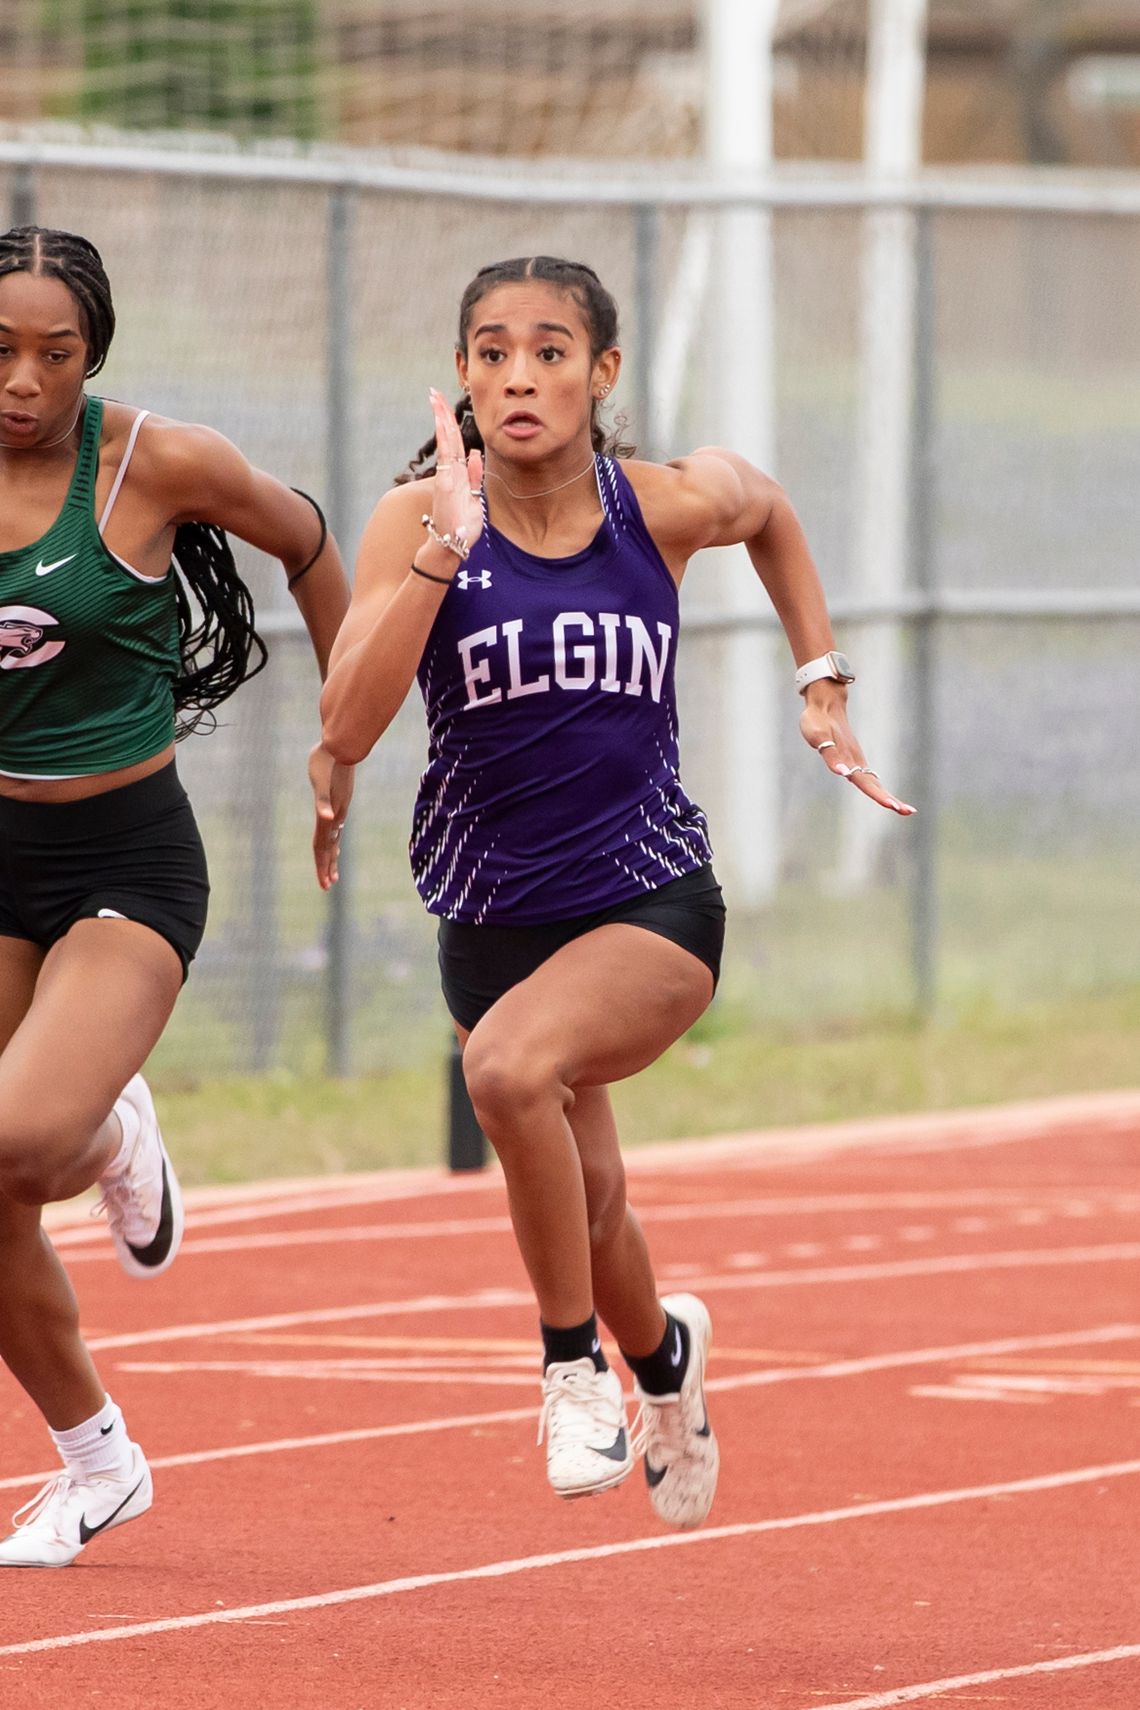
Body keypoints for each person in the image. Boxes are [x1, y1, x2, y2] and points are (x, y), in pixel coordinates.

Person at [319, 255, 913, 1531]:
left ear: (603, 371)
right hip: (489, 918)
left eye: (548, 350)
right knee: (589, 1204)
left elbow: (769, 514)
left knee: (506, 1078)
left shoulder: (659, 504)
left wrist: (823, 674)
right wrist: (439, 556)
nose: (519, 376)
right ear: (463, 377)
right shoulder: (415, 520)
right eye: (490, 352)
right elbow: (350, 724)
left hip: (648, 897)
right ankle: (666, 1366)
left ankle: (567, 1365)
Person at [0, 224, 353, 1566]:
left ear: (94, 358)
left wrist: (346, 733)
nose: (23, 380)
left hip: (124, 863)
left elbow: (310, 540)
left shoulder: (156, 463)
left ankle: (100, 1127)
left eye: (56, 354)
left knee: (20, 1142)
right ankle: (99, 1465)